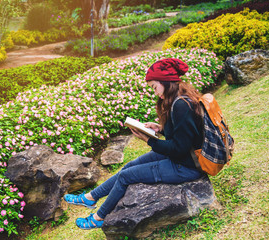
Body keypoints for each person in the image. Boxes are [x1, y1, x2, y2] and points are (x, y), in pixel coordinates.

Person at [63, 58, 205, 230]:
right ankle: (91, 197)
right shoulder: (180, 98)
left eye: (154, 87)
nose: (154, 92)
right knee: (130, 166)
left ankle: (98, 218)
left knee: (126, 176)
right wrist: (159, 129)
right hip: (183, 157)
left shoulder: (181, 105)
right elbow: (184, 135)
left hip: (187, 166)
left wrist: (149, 140)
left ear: (166, 82)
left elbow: (179, 148)